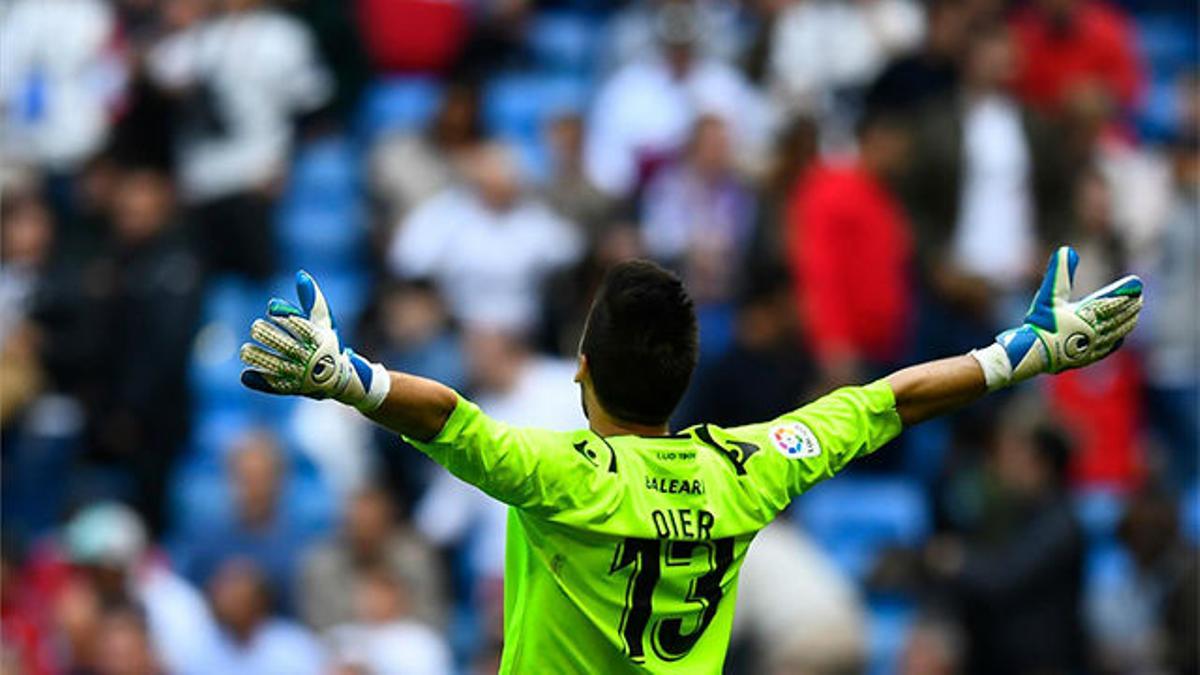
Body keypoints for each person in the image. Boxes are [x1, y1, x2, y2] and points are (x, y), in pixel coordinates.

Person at [238, 245, 1142, 673]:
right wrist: (1024, 354)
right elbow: (894, 398)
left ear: (582, 368)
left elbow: (448, 418)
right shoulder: (750, 468)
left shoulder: (560, 476)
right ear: (684, 378)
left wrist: (350, 378)